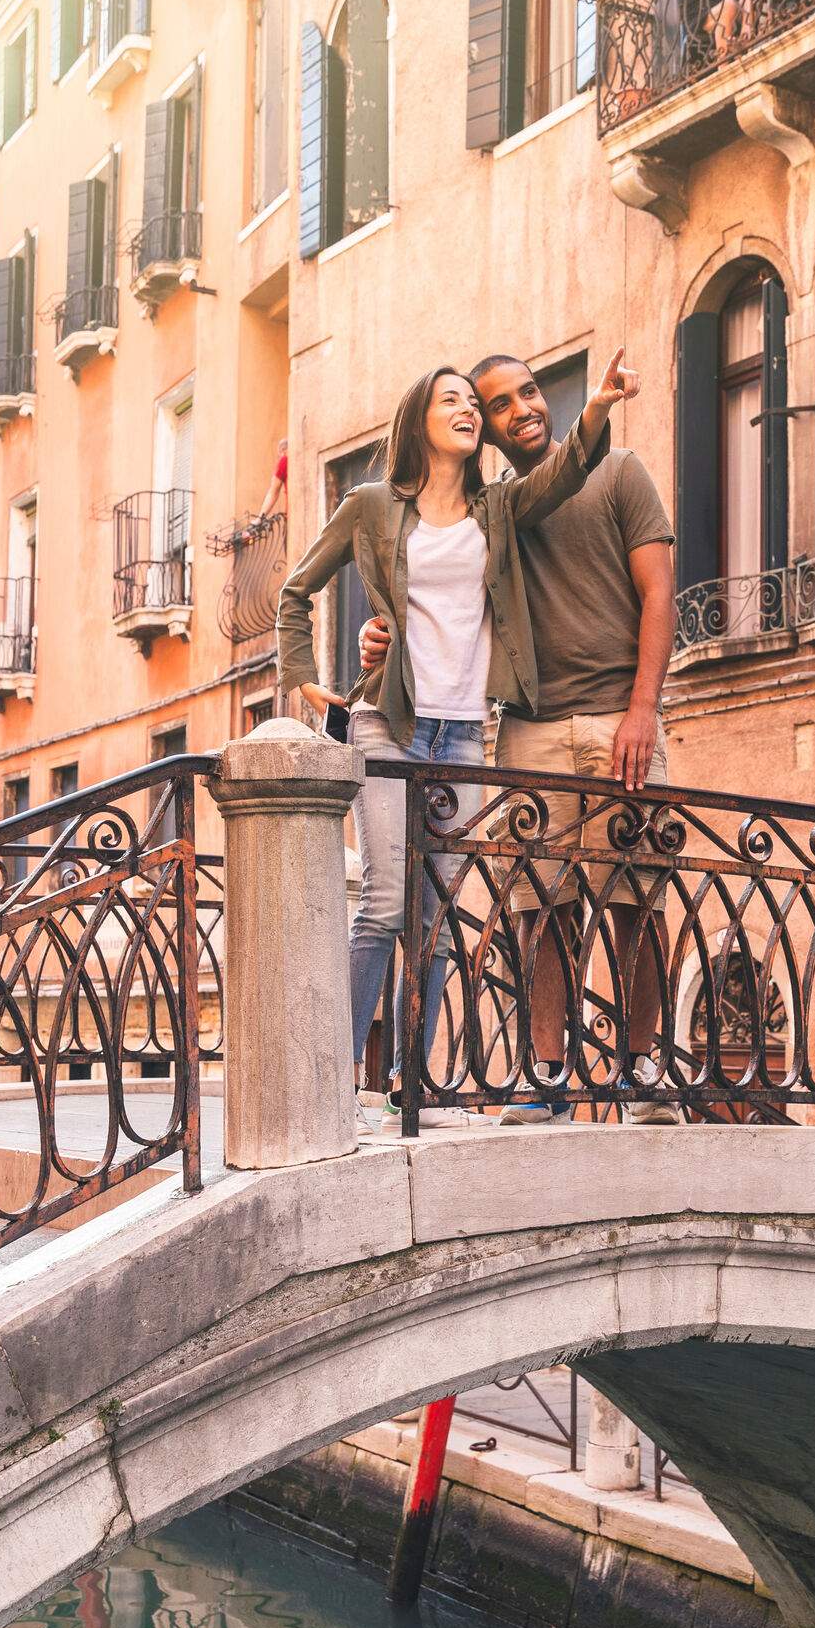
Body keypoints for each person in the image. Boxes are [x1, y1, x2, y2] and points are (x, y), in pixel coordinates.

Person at [275, 352, 638, 1123]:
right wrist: (308, 677)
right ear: (422, 419)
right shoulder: (373, 506)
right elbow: (295, 591)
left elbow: (569, 468)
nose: (470, 410)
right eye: (454, 400)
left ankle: (414, 1081)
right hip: (389, 725)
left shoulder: (499, 507)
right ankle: (329, 1078)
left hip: (465, 733)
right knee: (382, 901)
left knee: (437, 912)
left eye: (474, 403)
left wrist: (599, 405)